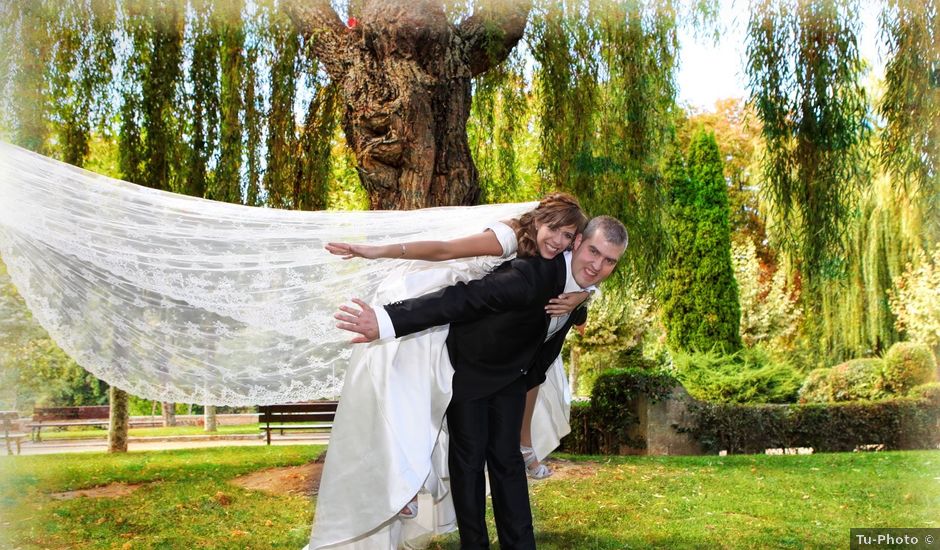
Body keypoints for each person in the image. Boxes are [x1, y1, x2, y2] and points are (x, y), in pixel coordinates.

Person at [309, 194, 590, 550]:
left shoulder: (561, 256)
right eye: (554, 230)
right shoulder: (505, 239)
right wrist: (378, 264)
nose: (559, 241)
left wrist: (585, 294)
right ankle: (409, 487)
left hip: (501, 358)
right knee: (454, 442)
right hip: (446, 325)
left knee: (503, 458)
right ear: (537, 220)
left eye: (567, 236)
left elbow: (592, 266)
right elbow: (445, 254)